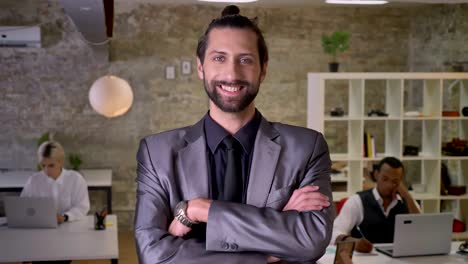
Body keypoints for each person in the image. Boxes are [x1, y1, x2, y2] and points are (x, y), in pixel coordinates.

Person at [134, 5, 334, 264]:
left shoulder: (307, 147)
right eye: (219, 58)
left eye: (245, 59)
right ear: (200, 68)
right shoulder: (156, 153)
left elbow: (311, 241)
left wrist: (201, 210)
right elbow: (152, 255)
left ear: (263, 70)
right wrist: (268, 252)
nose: (232, 74)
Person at [331, 157, 420, 253]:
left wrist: (407, 196)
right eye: (385, 179)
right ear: (376, 175)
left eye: (395, 181)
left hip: (399, 257)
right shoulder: (357, 201)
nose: (389, 185)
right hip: (366, 258)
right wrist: (352, 241)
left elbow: (421, 231)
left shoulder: (408, 202)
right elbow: (333, 233)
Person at [21, 141, 90, 224]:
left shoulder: (76, 179)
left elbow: (82, 207)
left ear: (61, 162)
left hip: (70, 227)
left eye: (51, 165)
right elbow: (23, 206)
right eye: (43, 165)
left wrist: (65, 217)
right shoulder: (33, 181)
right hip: (41, 230)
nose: (46, 170)